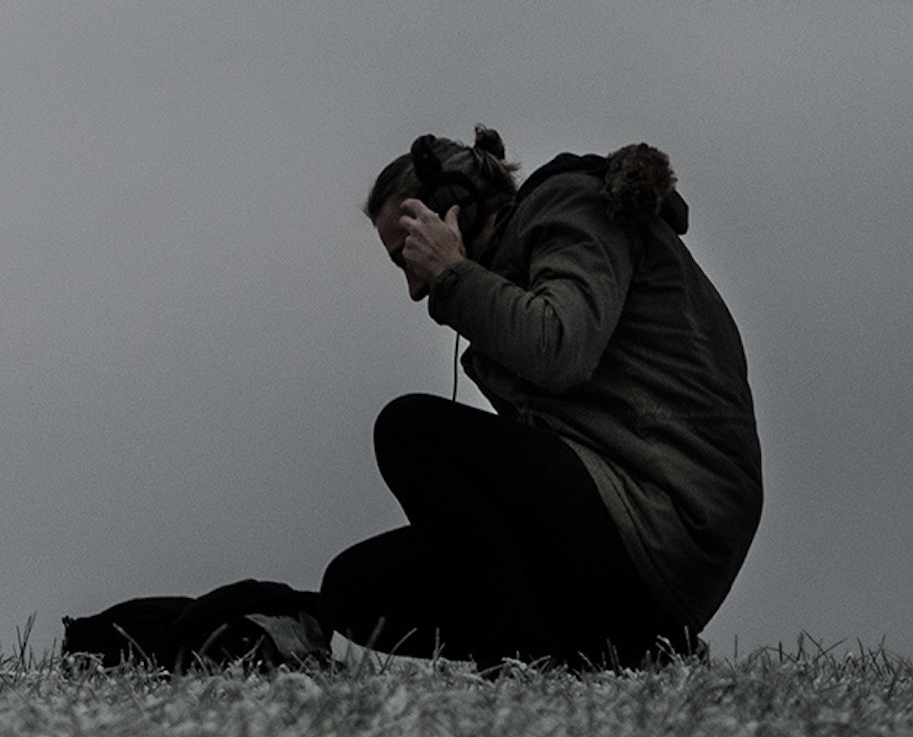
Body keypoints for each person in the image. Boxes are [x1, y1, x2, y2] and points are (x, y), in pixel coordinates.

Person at [323, 127, 760, 669]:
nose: (415, 287)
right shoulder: (512, 275)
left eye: (408, 255)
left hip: (665, 519)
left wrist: (453, 275)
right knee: (354, 588)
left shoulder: (571, 207)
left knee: (410, 429)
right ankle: (606, 652)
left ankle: (515, 663)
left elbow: (559, 348)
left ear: (448, 208)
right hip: (617, 526)